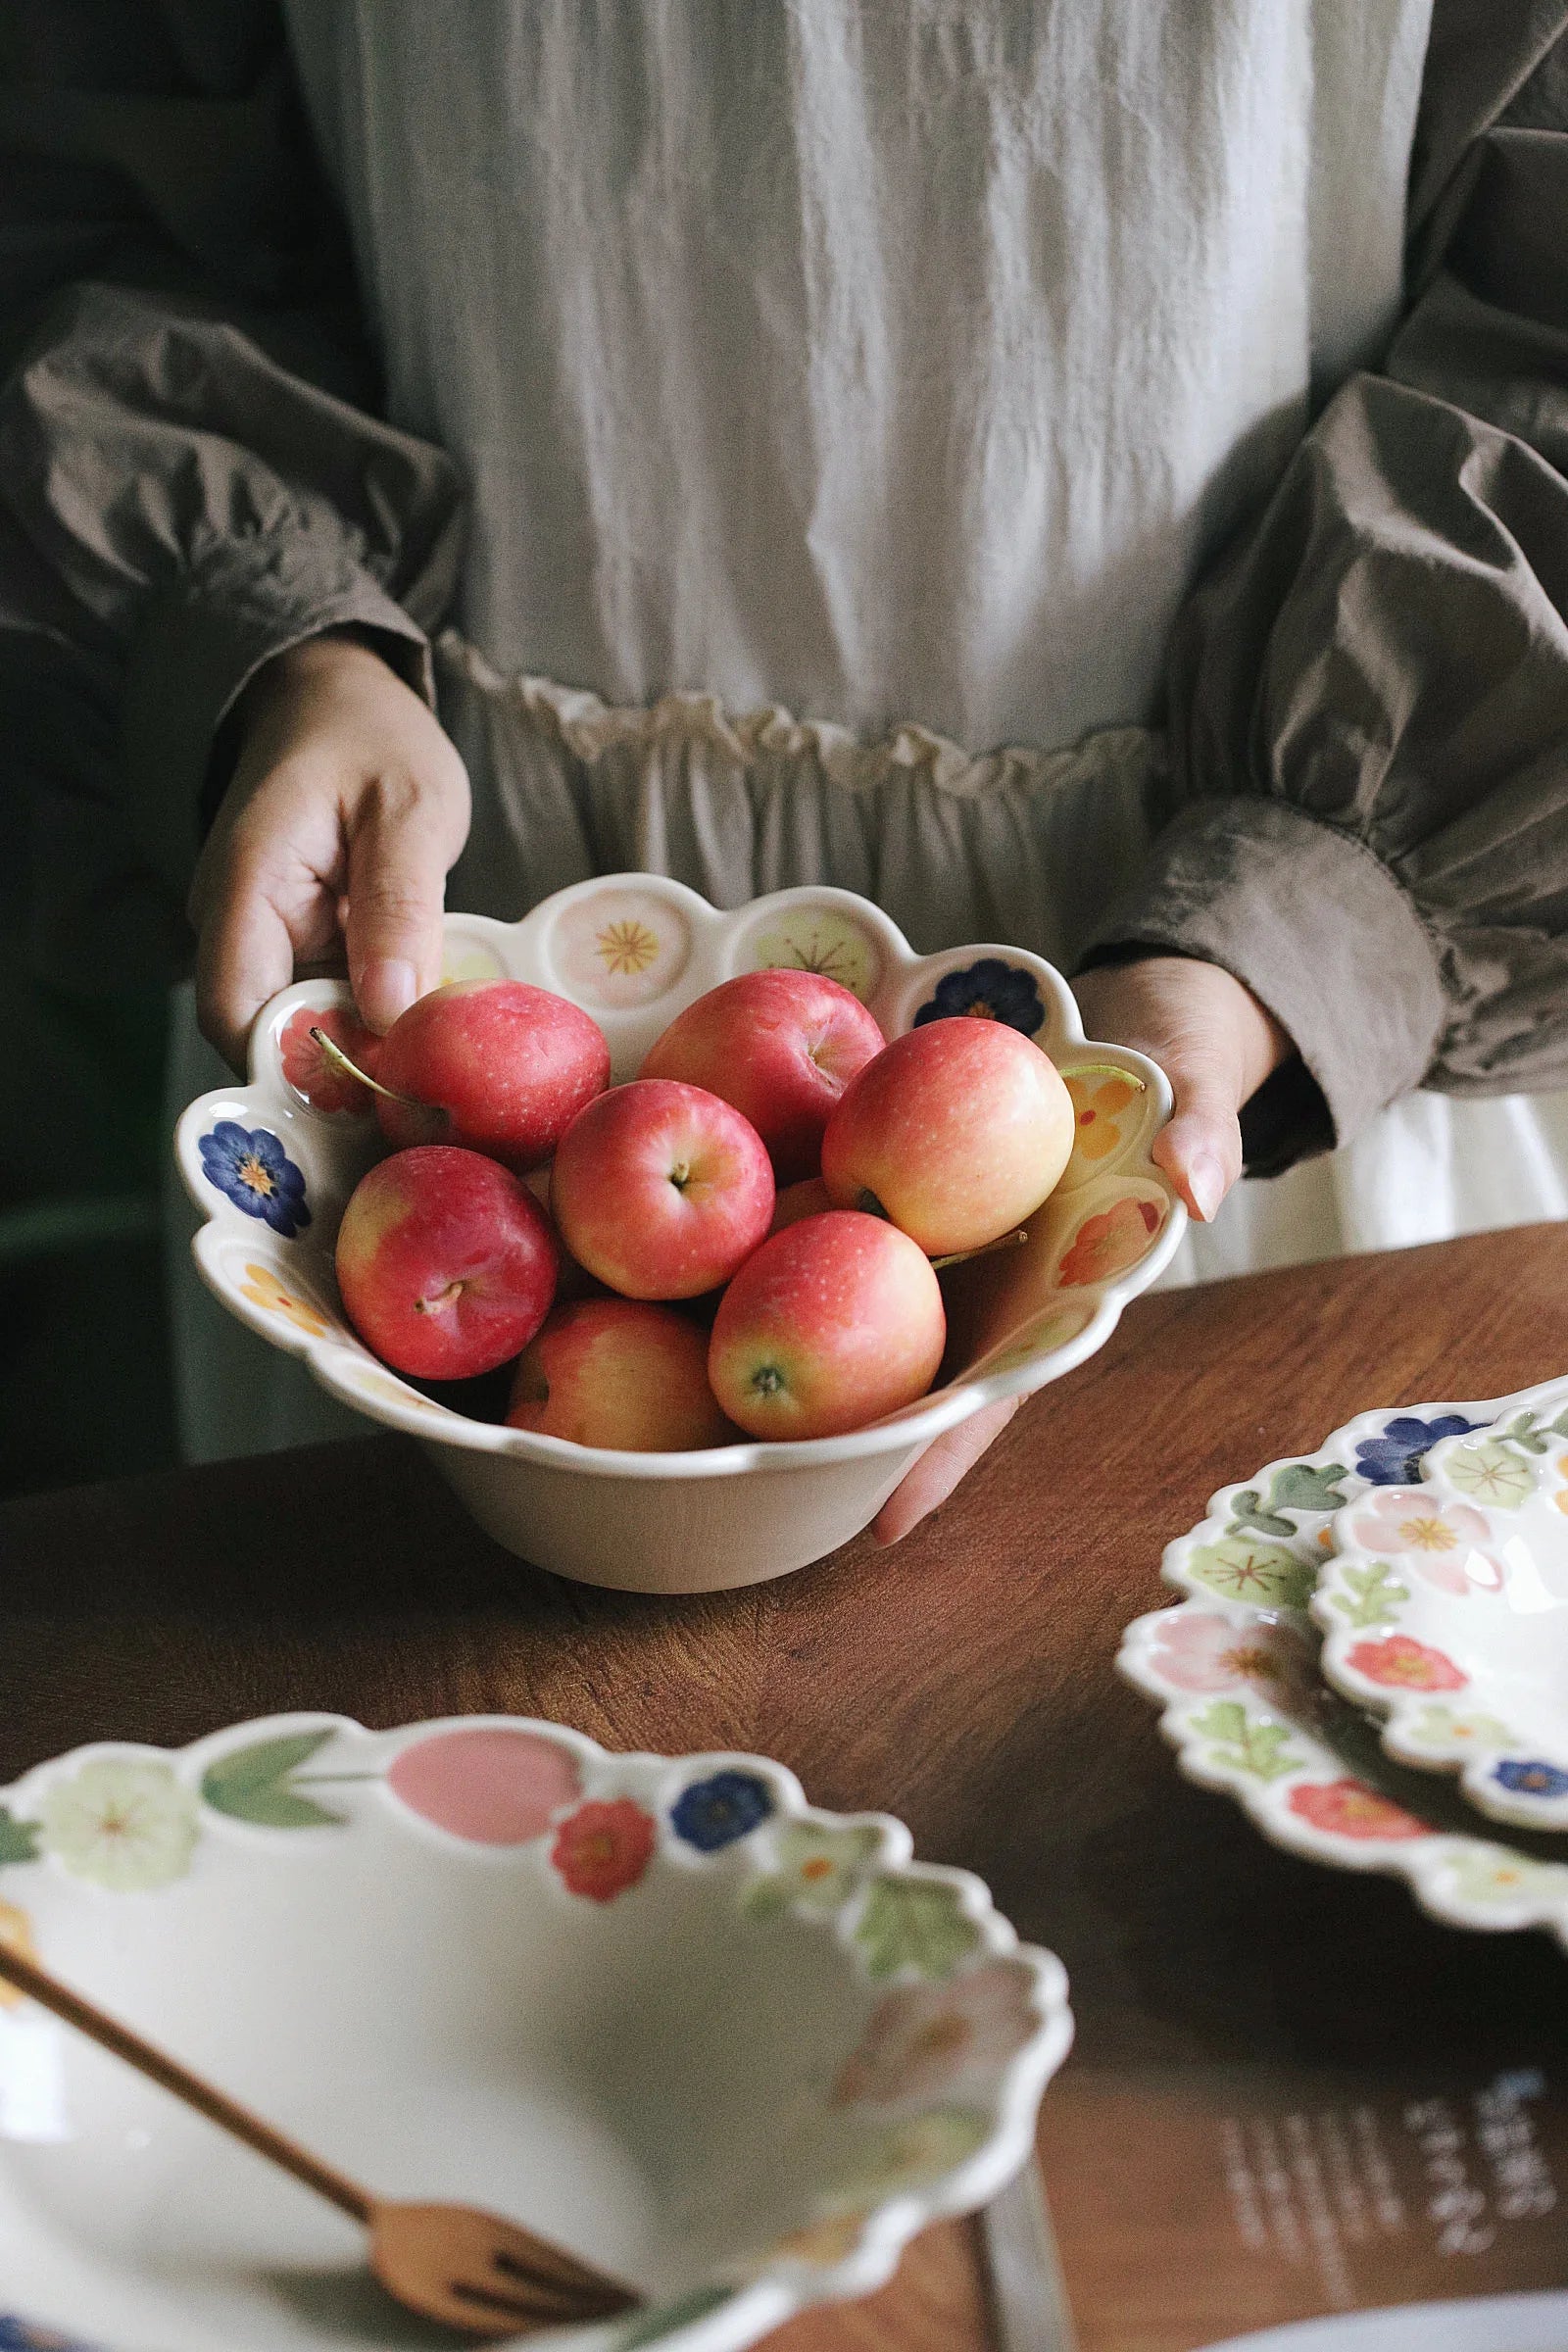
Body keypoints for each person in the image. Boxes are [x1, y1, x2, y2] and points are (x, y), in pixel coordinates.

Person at [3, 2, 1567, 1540]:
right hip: (455, 921)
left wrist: (1298, 915)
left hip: (1185, 1033)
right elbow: (116, 142)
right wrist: (291, 642)